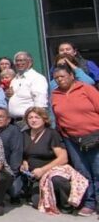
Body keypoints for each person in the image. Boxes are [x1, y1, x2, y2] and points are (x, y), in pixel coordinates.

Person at [51, 63, 99, 216]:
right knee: (82, 172)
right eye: (56, 78)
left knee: (98, 171)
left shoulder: (86, 89)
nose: (59, 80)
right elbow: (55, 117)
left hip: (95, 136)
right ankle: (89, 203)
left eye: (62, 76)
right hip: (72, 139)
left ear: (71, 76)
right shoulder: (54, 94)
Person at [21, 107, 71, 210]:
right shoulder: (24, 134)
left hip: (52, 172)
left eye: (37, 117)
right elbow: (24, 154)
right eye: (30, 117)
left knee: (58, 181)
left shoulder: (51, 134)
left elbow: (63, 158)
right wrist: (24, 162)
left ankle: (66, 204)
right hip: (35, 176)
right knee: (37, 203)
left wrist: (43, 170)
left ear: (44, 119)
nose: (33, 120)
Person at [0, 108, 24, 202]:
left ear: (8, 119)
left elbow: (16, 153)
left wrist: (12, 173)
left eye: (1, 116)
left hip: (8, 168)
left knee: (14, 192)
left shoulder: (14, 131)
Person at [7, 51, 48, 120]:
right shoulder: (14, 80)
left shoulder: (36, 78)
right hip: (14, 121)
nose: (19, 63)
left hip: (29, 121)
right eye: (17, 61)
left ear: (30, 62)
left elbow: (40, 101)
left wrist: (36, 119)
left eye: (22, 61)